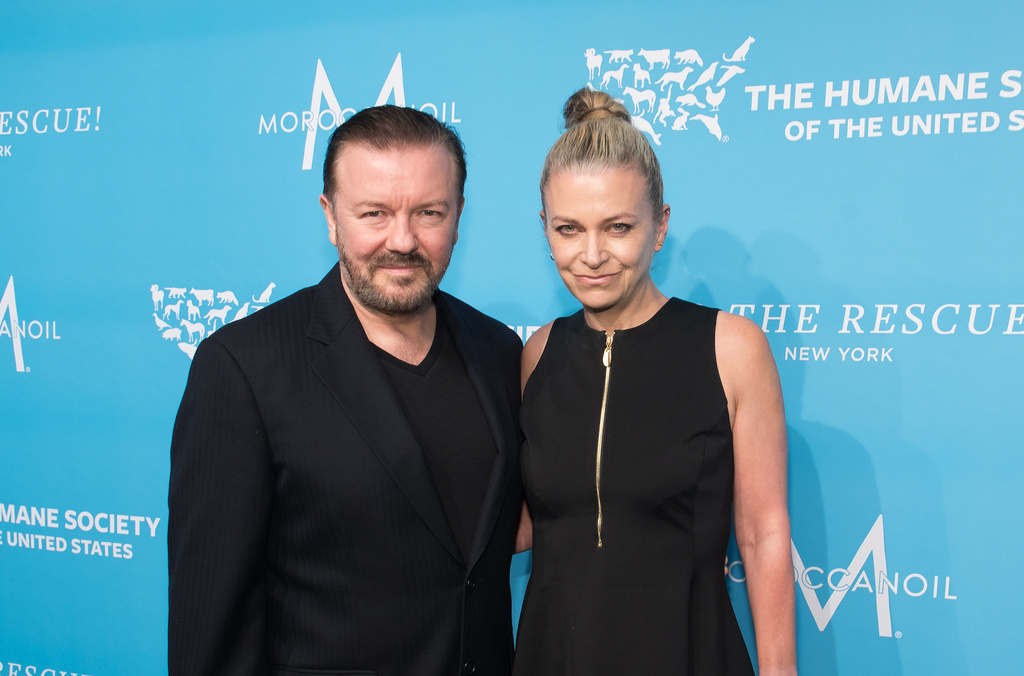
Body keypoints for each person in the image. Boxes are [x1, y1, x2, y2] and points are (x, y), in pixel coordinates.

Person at [168, 105, 524, 676]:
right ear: (331, 217)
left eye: (429, 212)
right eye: (374, 213)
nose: (402, 240)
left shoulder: (501, 352)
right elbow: (212, 624)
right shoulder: (243, 369)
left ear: (459, 216)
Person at [511, 89, 796, 675]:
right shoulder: (537, 352)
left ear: (660, 225)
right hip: (554, 654)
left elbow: (764, 534)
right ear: (545, 228)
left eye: (618, 227)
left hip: (687, 651)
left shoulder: (731, 348)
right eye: (568, 229)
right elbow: (523, 524)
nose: (591, 255)